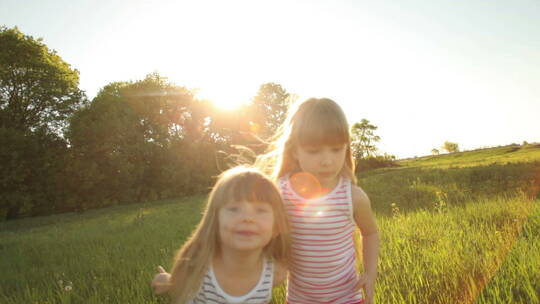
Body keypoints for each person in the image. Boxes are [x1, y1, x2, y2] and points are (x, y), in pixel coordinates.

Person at [255, 97, 380, 304]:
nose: (327, 160)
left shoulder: (352, 197)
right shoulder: (281, 193)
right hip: (300, 299)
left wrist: (370, 273)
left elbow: (371, 232)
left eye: (336, 149)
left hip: (347, 298)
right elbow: (267, 237)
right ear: (295, 150)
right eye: (314, 151)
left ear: (346, 148)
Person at [151, 166, 291, 304]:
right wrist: (168, 282)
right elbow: (177, 284)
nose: (248, 218)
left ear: (276, 226)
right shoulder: (198, 265)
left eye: (260, 210)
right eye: (234, 209)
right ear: (215, 221)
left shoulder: (275, 273)